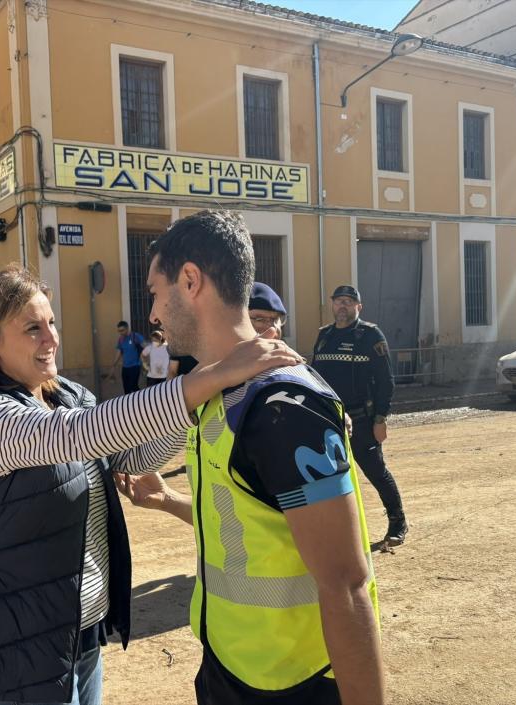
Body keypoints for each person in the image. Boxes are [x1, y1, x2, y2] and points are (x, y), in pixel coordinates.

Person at [0, 264, 300, 705]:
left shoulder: (68, 396)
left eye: (51, 322)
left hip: (81, 629)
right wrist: (208, 377)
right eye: (32, 328)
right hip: (20, 645)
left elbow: (128, 457)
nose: (51, 339)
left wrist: (197, 397)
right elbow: (77, 434)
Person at [118, 211, 384, 705]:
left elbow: (346, 584)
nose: (151, 315)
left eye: (154, 293)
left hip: (292, 683)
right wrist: (170, 500)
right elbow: (243, 527)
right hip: (226, 665)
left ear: (190, 281)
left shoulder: (286, 405)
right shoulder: (214, 392)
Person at [310, 285, 408, 547]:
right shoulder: (324, 336)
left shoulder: (370, 335)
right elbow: (315, 377)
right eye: (338, 301)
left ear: (358, 307)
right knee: (326, 477)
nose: (343, 306)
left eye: (348, 302)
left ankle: (398, 522)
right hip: (329, 420)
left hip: (362, 420)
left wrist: (380, 417)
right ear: (332, 305)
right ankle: (334, 530)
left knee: (376, 471)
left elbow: (386, 381)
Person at [109, 321, 145, 394]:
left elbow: (145, 347)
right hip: (125, 367)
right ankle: (128, 404)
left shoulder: (135, 336)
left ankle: (142, 400)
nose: (120, 332)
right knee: (126, 389)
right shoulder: (121, 339)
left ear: (127, 328)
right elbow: (119, 352)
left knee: (133, 386)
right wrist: (113, 365)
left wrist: (145, 364)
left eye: (122, 330)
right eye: (119, 331)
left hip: (135, 366)